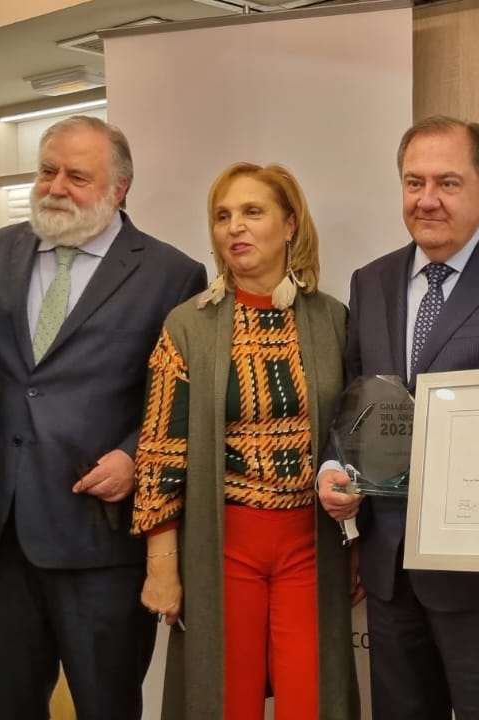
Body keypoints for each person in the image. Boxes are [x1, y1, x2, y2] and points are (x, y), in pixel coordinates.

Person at [315, 116, 479, 720]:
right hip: (391, 566)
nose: (426, 199)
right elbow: (356, 401)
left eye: (447, 183)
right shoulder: (371, 281)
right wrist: (334, 469)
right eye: (414, 182)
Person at [0, 116, 206, 719]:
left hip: (100, 537)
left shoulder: (171, 273)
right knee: (6, 703)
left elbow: (179, 396)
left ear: (119, 188)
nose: (56, 187)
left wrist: (134, 454)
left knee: (107, 705)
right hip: (3, 532)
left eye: (77, 177)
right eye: (47, 171)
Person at [133, 162, 358, 720]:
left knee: (311, 702)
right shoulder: (187, 325)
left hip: (311, 547)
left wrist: (359, 543)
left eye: (252, 212)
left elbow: (351, 434)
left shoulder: (332, 319)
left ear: (290, 224)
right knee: (225, 703)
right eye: (222, 216)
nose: (234, 227)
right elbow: (161, 449)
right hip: (223, 546)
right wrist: (162, 564)